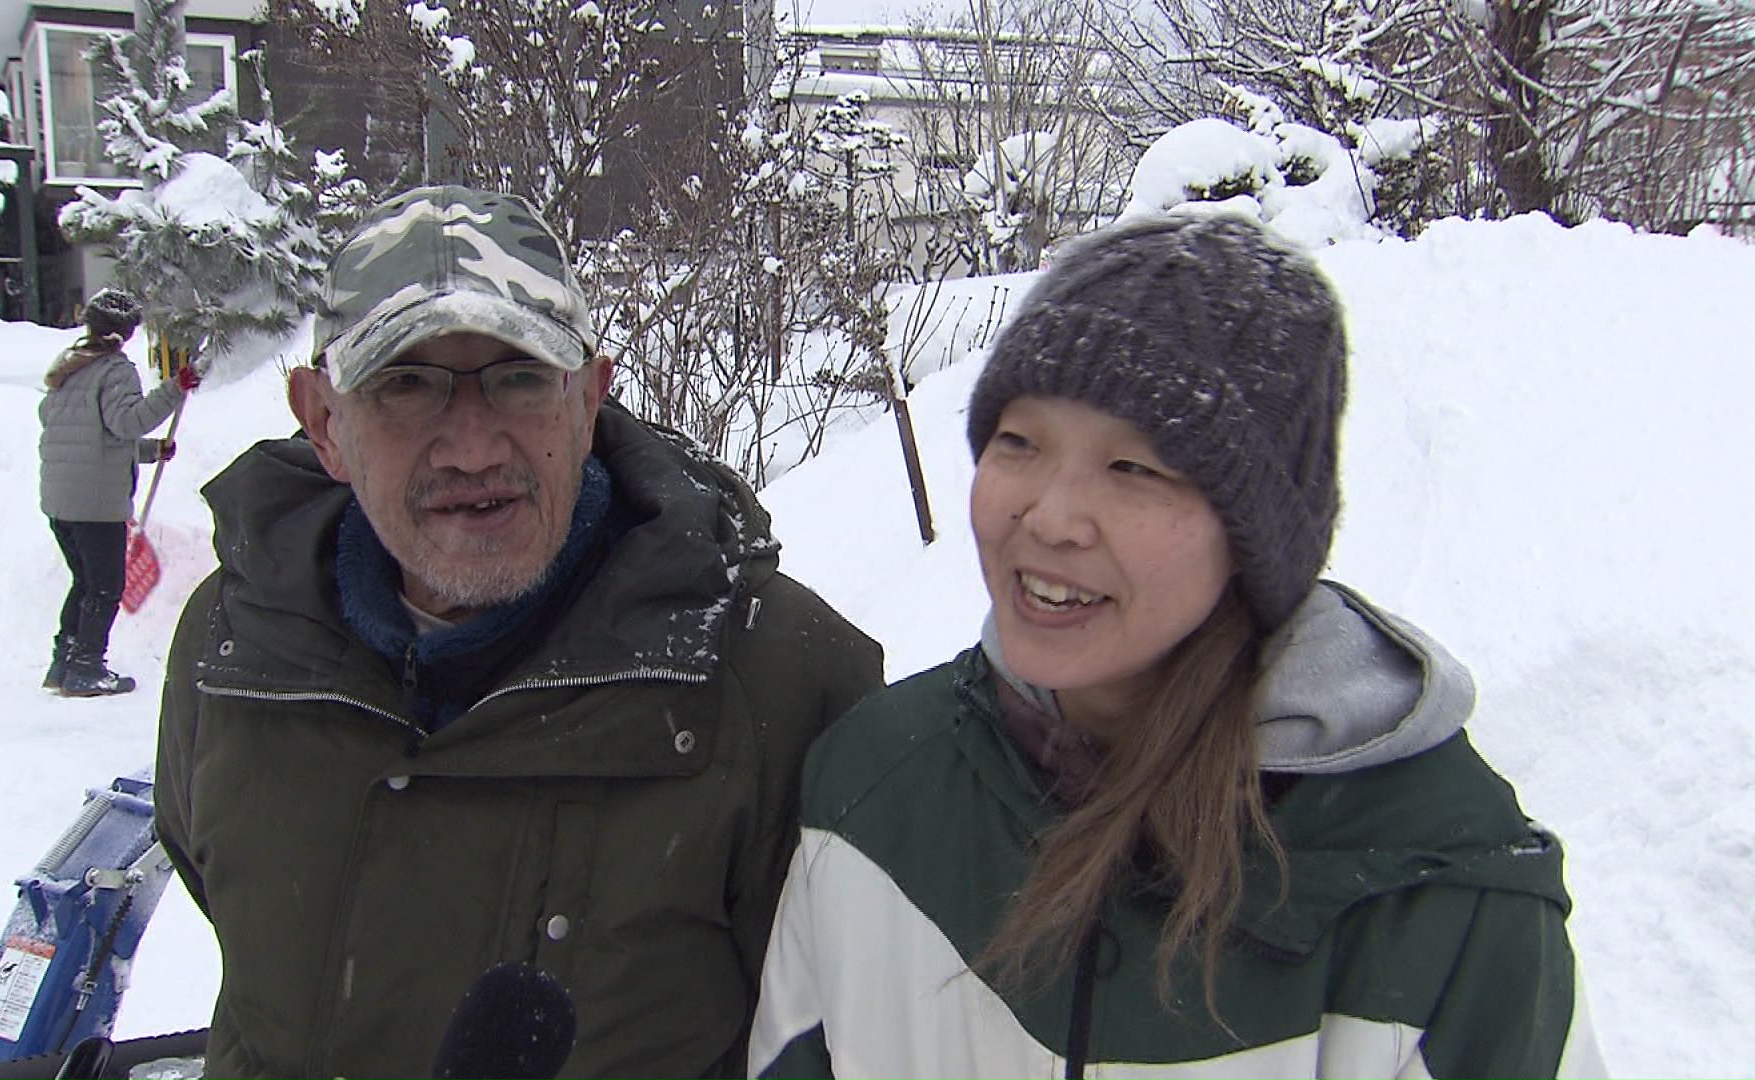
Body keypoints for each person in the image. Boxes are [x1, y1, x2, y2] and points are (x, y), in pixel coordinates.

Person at [747, 214, 1606, 1080]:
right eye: (1019, 443)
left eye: (1134, 468)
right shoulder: (875, 784)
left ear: (1255, 534)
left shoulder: (1445, 899)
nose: (1047, 517)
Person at [153, 186, 884, 1079]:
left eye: (521, 378)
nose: (471, 447)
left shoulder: (775, 678)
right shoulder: (235, 652)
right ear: (324, 424)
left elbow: (848, 1043)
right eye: (405, 384)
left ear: (587, 401)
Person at [38, 288, 199, 696]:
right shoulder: (114, 370)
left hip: (62, 501)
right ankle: (87, 668)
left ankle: (64, 663)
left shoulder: (70, 369)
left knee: (85, 582)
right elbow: (127, 422)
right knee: (106, 586)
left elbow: (95, 436)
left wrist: (149, 452)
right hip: (95, 505)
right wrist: (173, 389)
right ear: (126, 333)